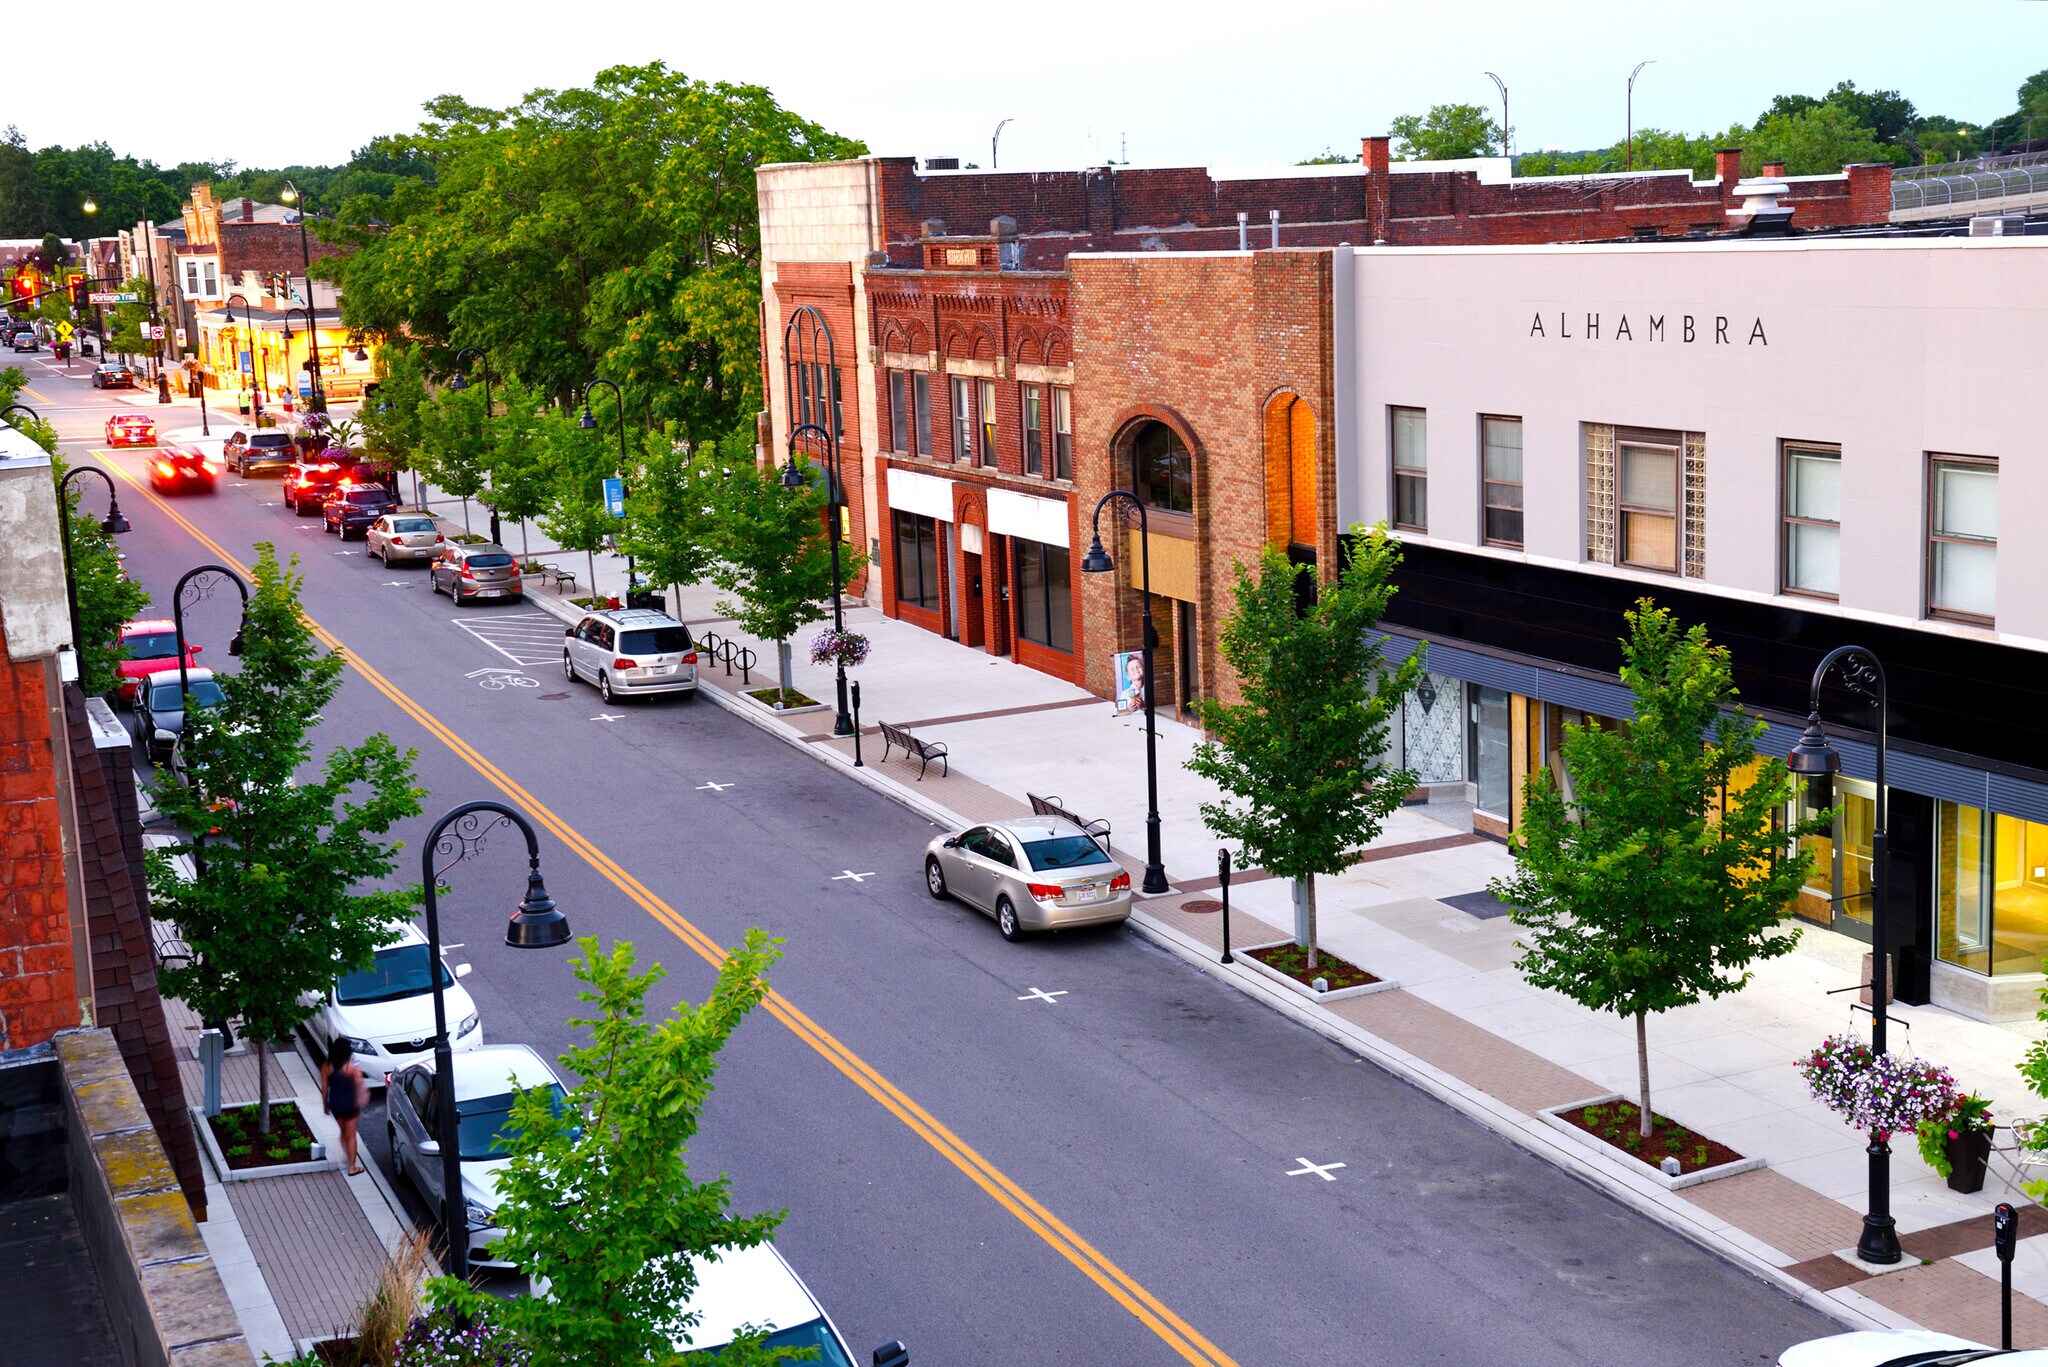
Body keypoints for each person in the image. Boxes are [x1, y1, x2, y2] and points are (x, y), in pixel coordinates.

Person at [320, 1037, 368, 1176]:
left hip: (335, 1105)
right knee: (351, 1135)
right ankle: (352, 1167)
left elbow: (324, 1089)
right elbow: (359, 1081)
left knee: (343, 1132)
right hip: (351, 1105)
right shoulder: (351, 1065)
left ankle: (348, 1156)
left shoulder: (326, 1067)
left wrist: (325, 1105)